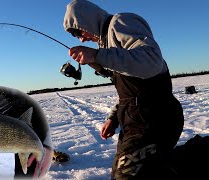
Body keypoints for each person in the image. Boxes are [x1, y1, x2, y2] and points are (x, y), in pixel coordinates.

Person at [63, 0, 184, 179]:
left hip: (156, 120)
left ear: (87, 20)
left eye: (78, 31)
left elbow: (151, 61)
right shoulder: (107, 46)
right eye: (75, 36)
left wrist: (97, 55)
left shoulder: (120, 22)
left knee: (125, 175)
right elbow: (130, 92)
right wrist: (113, 118)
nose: (81, 38)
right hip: (134, 123)